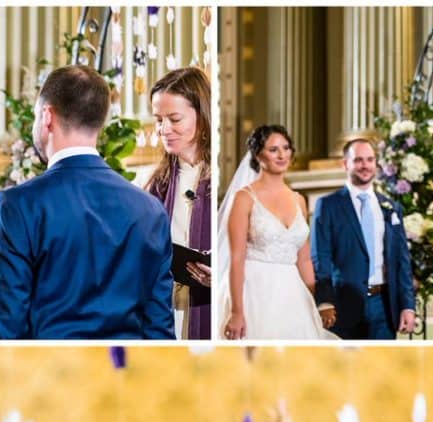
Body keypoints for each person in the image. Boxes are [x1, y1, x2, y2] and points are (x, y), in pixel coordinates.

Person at [0, 65, 175, 340]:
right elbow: (159, 332)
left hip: (50, 376)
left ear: (47, 116)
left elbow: (2, 328)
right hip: (126, 374)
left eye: (37, 115)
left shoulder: (18, 206)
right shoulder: (150, 210)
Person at [218, 124, 338, 340]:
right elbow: (236, 258)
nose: (282, 154)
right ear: (258, 154)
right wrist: (237, 311)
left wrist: (315, 302)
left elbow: (303, 259)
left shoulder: (298, 200)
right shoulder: (244, 198)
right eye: (273, 149)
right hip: (255, 290)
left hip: (293, 292)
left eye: (286, 148)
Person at [311, 139, 416, 340]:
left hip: (384, 305)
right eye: (358, 160)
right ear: (345, 164)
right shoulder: (328, 205)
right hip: (343, 304)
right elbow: (320, 257)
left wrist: (407, 306)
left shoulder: (391, 207)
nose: (365, 166)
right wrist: (324, 301)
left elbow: (402, 261)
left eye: (370, 160)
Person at [145, 67, 212, 341]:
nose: (164, 129)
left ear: (202, 115)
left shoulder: (224, 178)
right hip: (170, 309)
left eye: (174, 119)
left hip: (214, 306)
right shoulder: (156, 182)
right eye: (159, 120)